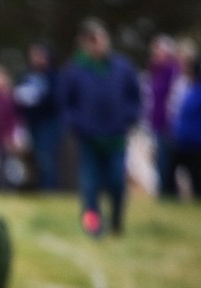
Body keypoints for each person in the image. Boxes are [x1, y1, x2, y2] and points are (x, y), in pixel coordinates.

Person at [58, 18, 141, 237]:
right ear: (84, 44)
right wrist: (77, 124)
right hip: (89, 139)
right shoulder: (75, 70)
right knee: (89, 187)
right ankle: (93, 226)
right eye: (91, 41)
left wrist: (128, 119)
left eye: (99, 39)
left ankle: (116, 222)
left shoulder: (122, 67)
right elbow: (66, 102)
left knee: (116, 182)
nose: (96, 45)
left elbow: (135, 97)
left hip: (116, 137)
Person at [12, 42, 62, 191]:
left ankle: (49, 189)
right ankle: (37, 187)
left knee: (45, 156)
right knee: (32, 157)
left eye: (39, 55)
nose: (36, 59)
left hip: (48, 121)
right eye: (34, 55)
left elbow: (56, 100)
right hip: (30, 122)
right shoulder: (27, 76)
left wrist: (38, 99)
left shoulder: (54, 77)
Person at [170, 55, 201, 201]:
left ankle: (200, 198)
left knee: (196, 173)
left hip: (196, 140)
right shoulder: (192, 88)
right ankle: (173, 196)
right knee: (173, 169)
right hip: (183, 137)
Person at [146, 35, 181, 197]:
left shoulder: (173, 71)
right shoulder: (155, 71)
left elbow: (173, 99)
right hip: (157, 123)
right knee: (160, 160)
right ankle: (164, 190)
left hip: (169, 124)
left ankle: (167, 192)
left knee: (166, 161)